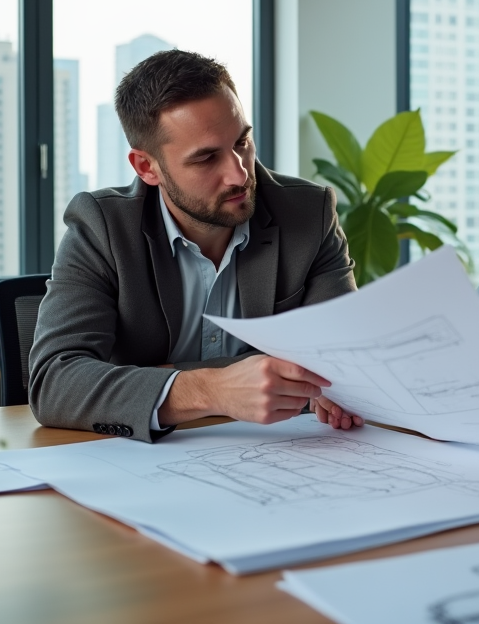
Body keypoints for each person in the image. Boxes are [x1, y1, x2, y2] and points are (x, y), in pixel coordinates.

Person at [29, 50, 363, 442]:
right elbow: (54, 382)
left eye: (242, 142)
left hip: (280, 456)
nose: (239, 174)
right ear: (146, 167)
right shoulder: (103, 226)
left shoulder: (308, 213)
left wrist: (162, 374)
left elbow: (343, 368)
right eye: (206, 158)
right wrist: (213, 389)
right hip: (144, 464)